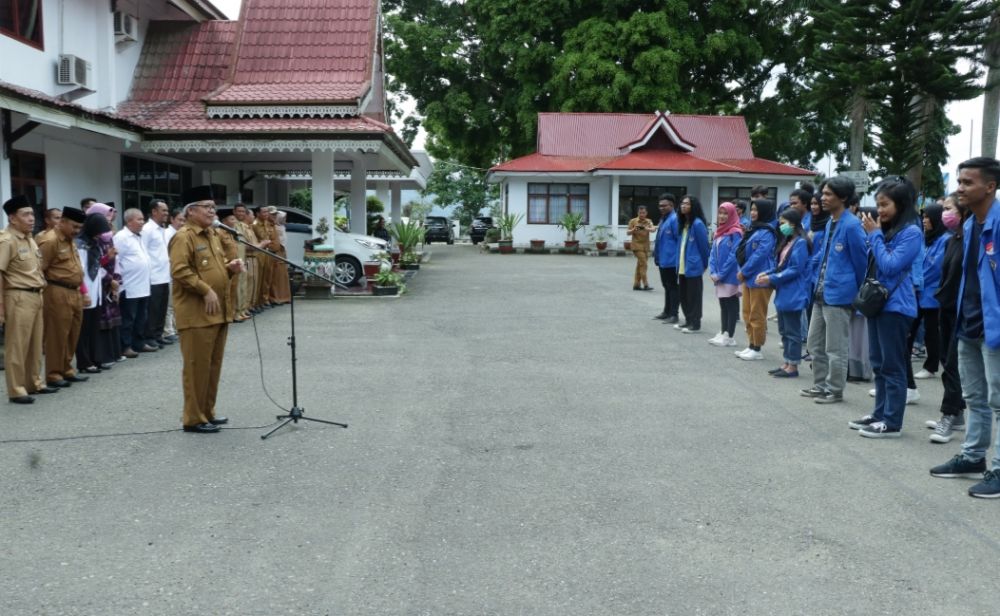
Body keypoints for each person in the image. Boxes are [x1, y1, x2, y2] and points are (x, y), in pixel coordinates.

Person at [929, 157, 1000, 497]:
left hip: (994, 327)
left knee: (999, 400)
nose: (960, 188)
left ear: (990, 186)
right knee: (974, 396)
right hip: (967, 322)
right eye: (959, 181)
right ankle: (973, 457)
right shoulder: (970, 225)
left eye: (968, 182)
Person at [848, 176, 923, 437]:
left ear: (901, 204)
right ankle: (879, 413)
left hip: (897, 307)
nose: (880, 210)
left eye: (885, 204)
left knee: (892, 365)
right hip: (879, 305)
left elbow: (891, 266)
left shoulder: (911, 232)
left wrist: (875, 236)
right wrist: (876, 235)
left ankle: (892, 423)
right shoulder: (887, 230)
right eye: (878, 204)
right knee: (879, 363)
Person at [170, 186, 244, 433]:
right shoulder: (184, 236)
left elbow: (212, 266)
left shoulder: (211, 234)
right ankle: (193, 418)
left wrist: (228, 267)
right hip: (196, 314)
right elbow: (180, 270)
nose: (213, 211)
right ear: (191, 211)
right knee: (196, 368)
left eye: (213, 207)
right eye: (207, 207)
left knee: (212, 367)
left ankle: (207, 412)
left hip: (217, 313)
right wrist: (205, 289)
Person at [800, 177, 868, 404]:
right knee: (814, 344)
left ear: (844, 198)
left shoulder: (852, 225)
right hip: (820, 292)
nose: (823, 198)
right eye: (823, 193)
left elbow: (861, 263)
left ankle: (835, 390)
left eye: (829, 194)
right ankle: (819, 385)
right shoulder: (831, 222)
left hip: (839, 295)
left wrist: (854, 293)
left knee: (835, 347)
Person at [0, 196, 58, 403]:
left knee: (34, 344)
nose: (31, 218)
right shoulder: (7, 240)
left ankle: (34, 383)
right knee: (17, 345)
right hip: (18, 295)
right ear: (12, 218)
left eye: (32, 214)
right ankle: (16, 389)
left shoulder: (29, 239)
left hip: (36, 295)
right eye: (26, 214)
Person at [925, 195, 968, 443]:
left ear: (962, 213)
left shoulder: (970, 238)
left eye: (949, 209)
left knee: (952, 365)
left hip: (963, 310)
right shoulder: (954, 239)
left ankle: (949, 416)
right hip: (947, 307)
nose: (944, 213)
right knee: (946, 359)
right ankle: (958, 413)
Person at [38, 206, 89, 388]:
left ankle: (67, 369)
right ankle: (53, 373)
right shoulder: (50, 241)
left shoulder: (70, 240)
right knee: (57, 335)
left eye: (79, 228)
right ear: (62, 222)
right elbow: (39, 270)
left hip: (74, 292)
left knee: (72, 333)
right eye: (74, 227)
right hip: (57, 292)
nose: (77, 231)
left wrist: (83, 292)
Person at [756, 209, 811, 377]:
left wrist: (772, 278)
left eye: (783, 223)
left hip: (793, 290)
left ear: (793, 223)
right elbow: (781, 265)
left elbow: (795, 269)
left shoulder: (800, 243)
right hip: (784, 290)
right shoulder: (788, 241)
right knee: (784, 330)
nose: (781, 226)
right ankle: (787, 362)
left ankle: (793, 365)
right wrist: (768, 273)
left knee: (792, 331)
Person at [735, 199, 778, 360]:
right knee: (747, 312)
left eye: (756, 210)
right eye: (751, 210)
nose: (752, 213)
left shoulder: (768, 232)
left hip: (761, 277)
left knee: (757, 313)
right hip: (748, 277)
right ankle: (750, 343)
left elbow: (759, 255)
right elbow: (743, 252)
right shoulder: (753, 229)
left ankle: (757, 347)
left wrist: (744, 271)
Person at [913, 203, 950, 381]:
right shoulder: (928, 238)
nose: (924, 220)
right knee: (916, 329)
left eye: (928, 217)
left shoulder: (945, 240)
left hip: (932, 294)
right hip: (921, 292)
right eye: (924, 217)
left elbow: (935, 268)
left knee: (931, 331)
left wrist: (917, 280)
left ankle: (931, 365)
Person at [113, 208, 157, 357]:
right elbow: (116, 261)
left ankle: (139, 343)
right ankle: (125, 346)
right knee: (128, 319)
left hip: (143, 285)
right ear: (129, 221)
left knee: (141, 317)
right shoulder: (121, 237)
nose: (142, 222)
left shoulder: (139, 236)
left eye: (142, 219)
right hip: (129, 286)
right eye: (139, 219)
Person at [75, 213, 112, 373]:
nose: (100, 234)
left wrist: (107, 258)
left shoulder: (94, 243)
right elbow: (79, 271)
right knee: (83, 330)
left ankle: (96, 359)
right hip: (85, 291)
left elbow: (95, 265)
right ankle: (84, 362)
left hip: (96, 291)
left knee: (94, 328)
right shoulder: (80, 244)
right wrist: (84, 292)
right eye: (98, 231)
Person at [708, 202, 742, 347]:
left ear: (732, 215)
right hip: (719, 276)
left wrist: (720, 273)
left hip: (730, 275)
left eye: (725, 213)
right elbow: (712, 255)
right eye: (720, 213)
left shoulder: (736, 232)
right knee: (723, 304)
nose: (722, 216)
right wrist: (713, 271)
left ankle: (730, 336)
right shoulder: (719, 231)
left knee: (731, 304)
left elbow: (734, 255)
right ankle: (723, 332)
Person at [674, 195, 710, 333]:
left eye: (687, 204)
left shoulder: (698, 224)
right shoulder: (684, 224)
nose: (683, 206)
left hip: (694, 266)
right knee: (684, 295)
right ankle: (688, 320)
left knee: (694, 296)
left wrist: (704, 264)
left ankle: (695, 323)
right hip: (683, 266)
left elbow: (704, 247)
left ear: (693, 206)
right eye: (682, 203)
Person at [142, 199, 173, 348]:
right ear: (154, 211)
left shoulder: (162, 229)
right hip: (153, 277)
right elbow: (144, 251)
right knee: (153, 310)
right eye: (164, 211)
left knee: (162, 308)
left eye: (167, 211)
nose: (166, 213)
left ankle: (158, 335)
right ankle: (150, 337)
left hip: (164, 276)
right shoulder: (147, 229)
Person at [653, 193, 680, 322]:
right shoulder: (664, 219)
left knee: (673, 287)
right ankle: (666, 311)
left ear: (672, 205)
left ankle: (674, 314)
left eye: (664, 206)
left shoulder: (674, 219)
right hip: (663, 259)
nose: (661, 208)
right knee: (666, 286)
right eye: (660, 206)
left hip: (672, 260)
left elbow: (678, 240)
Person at [627, 206, 653, 291]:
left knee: (640, 265)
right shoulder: (633, 221)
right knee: (644, 264)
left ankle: (636, 285)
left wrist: (647, 228)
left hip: (645, 246)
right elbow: (628, 232)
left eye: (643, 213)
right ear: (637, 213)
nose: (642, 214)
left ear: (646, 213)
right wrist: (633, 229)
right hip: (637, 246)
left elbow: (653, 229)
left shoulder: (648, 221)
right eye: (640, 213)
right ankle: (646, 284)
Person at [271, 210, 292, 304]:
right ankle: (277, 297)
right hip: (277, 251)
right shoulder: (274, 227)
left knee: (284, 275)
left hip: (282, 251)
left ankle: (285, 297)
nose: (285, 219)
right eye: (283, 218)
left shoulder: (282, 227)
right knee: (277, 275)